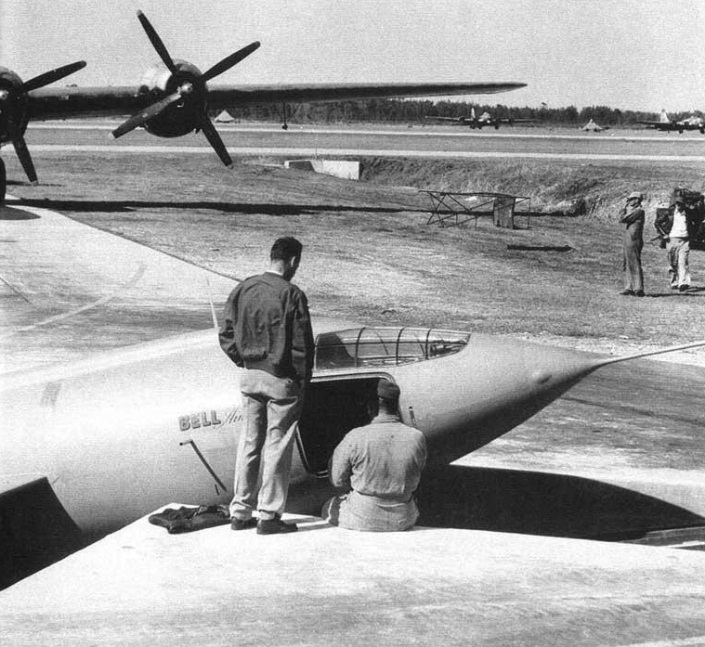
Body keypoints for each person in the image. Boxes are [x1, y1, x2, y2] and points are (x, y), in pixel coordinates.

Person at [219, 236, 314, 535]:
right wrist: (302, 382)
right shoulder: (292, 294)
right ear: (293, 262)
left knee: (249, 443)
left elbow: (226, 333)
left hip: (249, 376)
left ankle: (240, 511)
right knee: (277, 445)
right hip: (281, 380)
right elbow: (302, 347)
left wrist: (244, 360)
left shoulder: (243, 288)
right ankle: (269, 516)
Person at [321, 379, 427, 532]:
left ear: (372, 407)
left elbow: (337, 480)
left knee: (328, 506)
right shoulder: (417, 437)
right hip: (403, 518)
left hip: (363, 518)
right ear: (395, 405)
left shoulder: (355, 436)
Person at [655, 195, 698, 292]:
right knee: (673, 262)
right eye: (677, 204)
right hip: (671, 240)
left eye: (681, 204)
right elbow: (657, 223)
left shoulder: (689, 213)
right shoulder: (670, 212)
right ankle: (674, 281)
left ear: (684, 205)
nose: (679, 206)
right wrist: (664, 234)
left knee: (683, 262)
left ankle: (683, 283)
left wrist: (692, 235)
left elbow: (696, 223)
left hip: (685, 240)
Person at [619, 191, 645, 297]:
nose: (629, 201)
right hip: (629, 240)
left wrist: (623, 209)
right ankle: (629, 287)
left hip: (634, 240)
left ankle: (638, 288)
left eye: (631, 199)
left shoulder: (639, 211)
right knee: (627, 264)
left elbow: (623, 219)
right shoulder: (635, 211)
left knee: (634, 263)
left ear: (636, 200)